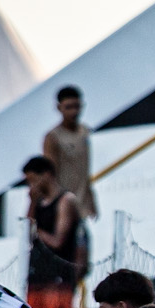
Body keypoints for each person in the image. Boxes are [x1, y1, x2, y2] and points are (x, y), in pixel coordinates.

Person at [21, 155, 83, 308]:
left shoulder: (65, 201)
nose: (32, 186)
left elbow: (57, 240)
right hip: (38, 275)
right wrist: (32, 203)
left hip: (58, 276)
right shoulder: (39, 202)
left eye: (34, 180)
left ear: (46, 175)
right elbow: (26, 232)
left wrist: (37, 232)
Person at [42, 85, 97, 218]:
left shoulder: (85, 132)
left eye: (77, 106)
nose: (73, 112)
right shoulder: (53, 137)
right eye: (68, 107)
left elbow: (84, 171)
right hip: (63, 208)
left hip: (83, 204)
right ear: (59, 108)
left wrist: (92, 201)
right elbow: (49, 176)